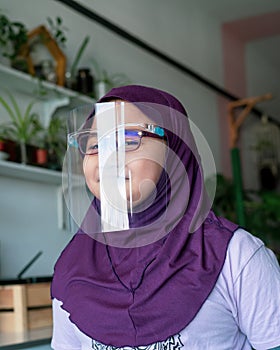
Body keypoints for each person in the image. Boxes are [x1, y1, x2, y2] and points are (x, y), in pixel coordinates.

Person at [51, 85, 280, 350]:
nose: (107, 158)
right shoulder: (72, 266)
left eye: (127, 139)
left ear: (175, 150)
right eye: (93, 145)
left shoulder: (237, 256)